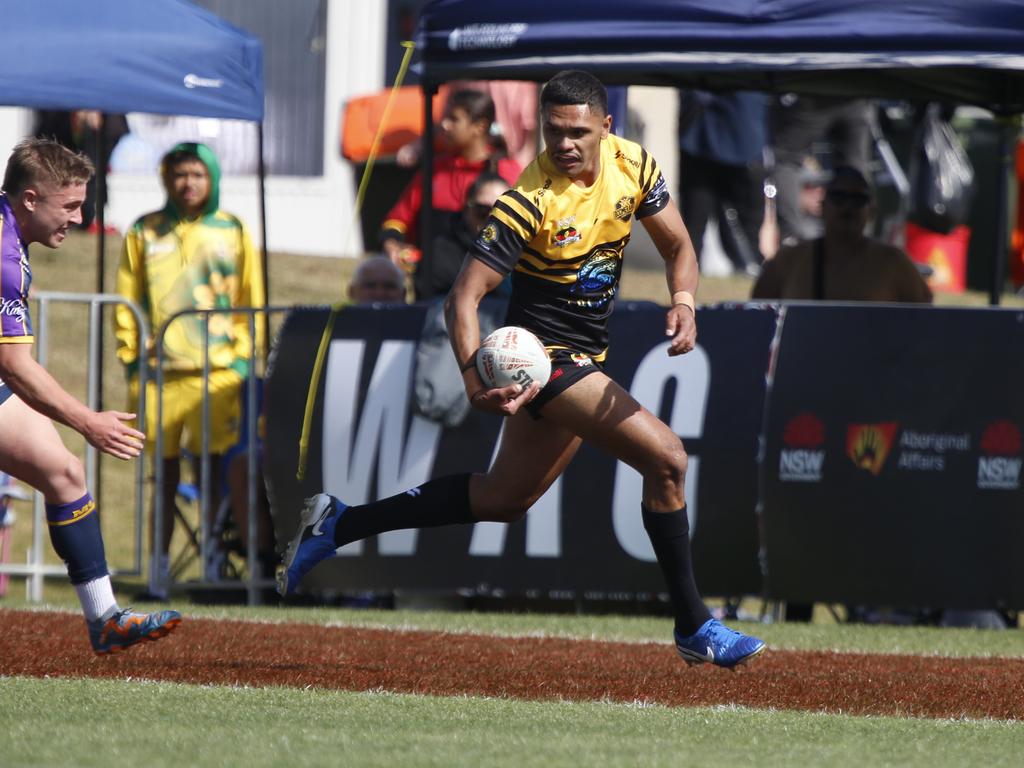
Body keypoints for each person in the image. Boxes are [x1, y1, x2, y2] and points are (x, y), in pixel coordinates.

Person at [279, 70, 766, 669]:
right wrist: (472, 379)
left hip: (586, 357)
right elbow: (464, 297)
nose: (564, 144)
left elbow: (679, 248)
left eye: (578, 133)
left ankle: (340, 522)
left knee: (504, 499)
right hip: (544, 361)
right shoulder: (527, 201)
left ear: (606, 129)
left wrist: (685, 302)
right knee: (666, 457)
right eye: (553, 131)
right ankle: (694, 624)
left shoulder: (634, 166)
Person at [0, 137, 180, 653]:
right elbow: (14, 366)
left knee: (65, 475)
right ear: (31, 198)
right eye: (71, 205)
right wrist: (88, 421)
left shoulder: (12, 235)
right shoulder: (5, 257)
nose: (79, 218)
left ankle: (106, 621)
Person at [114, 142, 265, 599]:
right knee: (162, 477)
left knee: (213, 472)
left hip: (217, 374)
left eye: (198, 174)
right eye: (180, 174)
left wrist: (241, 355)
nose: (189, 183)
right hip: (161, 376)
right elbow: (126, 300)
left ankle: (213, 568)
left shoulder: (232, 230)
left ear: (213, 178)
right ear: (166, 178)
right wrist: (132, 356)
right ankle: (158, 572)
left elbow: (250, 298)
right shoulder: (144, 230)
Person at [380, 89, 522, 268]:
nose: (444, 125)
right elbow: (397, 219)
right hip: (433, 277)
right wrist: (392, 244)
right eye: (444, 118)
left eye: (454, 119)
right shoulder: (435, 169)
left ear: (479, 127)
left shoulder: (507, 172)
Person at [752, 165, 933, 303]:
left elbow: (924, 322)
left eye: (858, 200)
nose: (847, 207)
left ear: (871, 211)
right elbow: (757, 316)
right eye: (838, 198)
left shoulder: (894, 262)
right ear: (822, 207)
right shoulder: (789, 260)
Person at [677, 90, 767, 277]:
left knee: (745, 222)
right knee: (695, 218)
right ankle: (687, 273)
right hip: (701, 139)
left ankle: (748, 268)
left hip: (742, 136)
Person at [769, 96, 876, 246]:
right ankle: (858, 237)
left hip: (814, 89)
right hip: (856, 91)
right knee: (855, 167)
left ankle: (792, 241)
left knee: (785, 160)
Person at [416, 171, 511, 301]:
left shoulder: (524, 254)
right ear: (466, 209)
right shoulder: (439, 253)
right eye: (482, 211)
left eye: (501, 212)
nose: (490, 220)